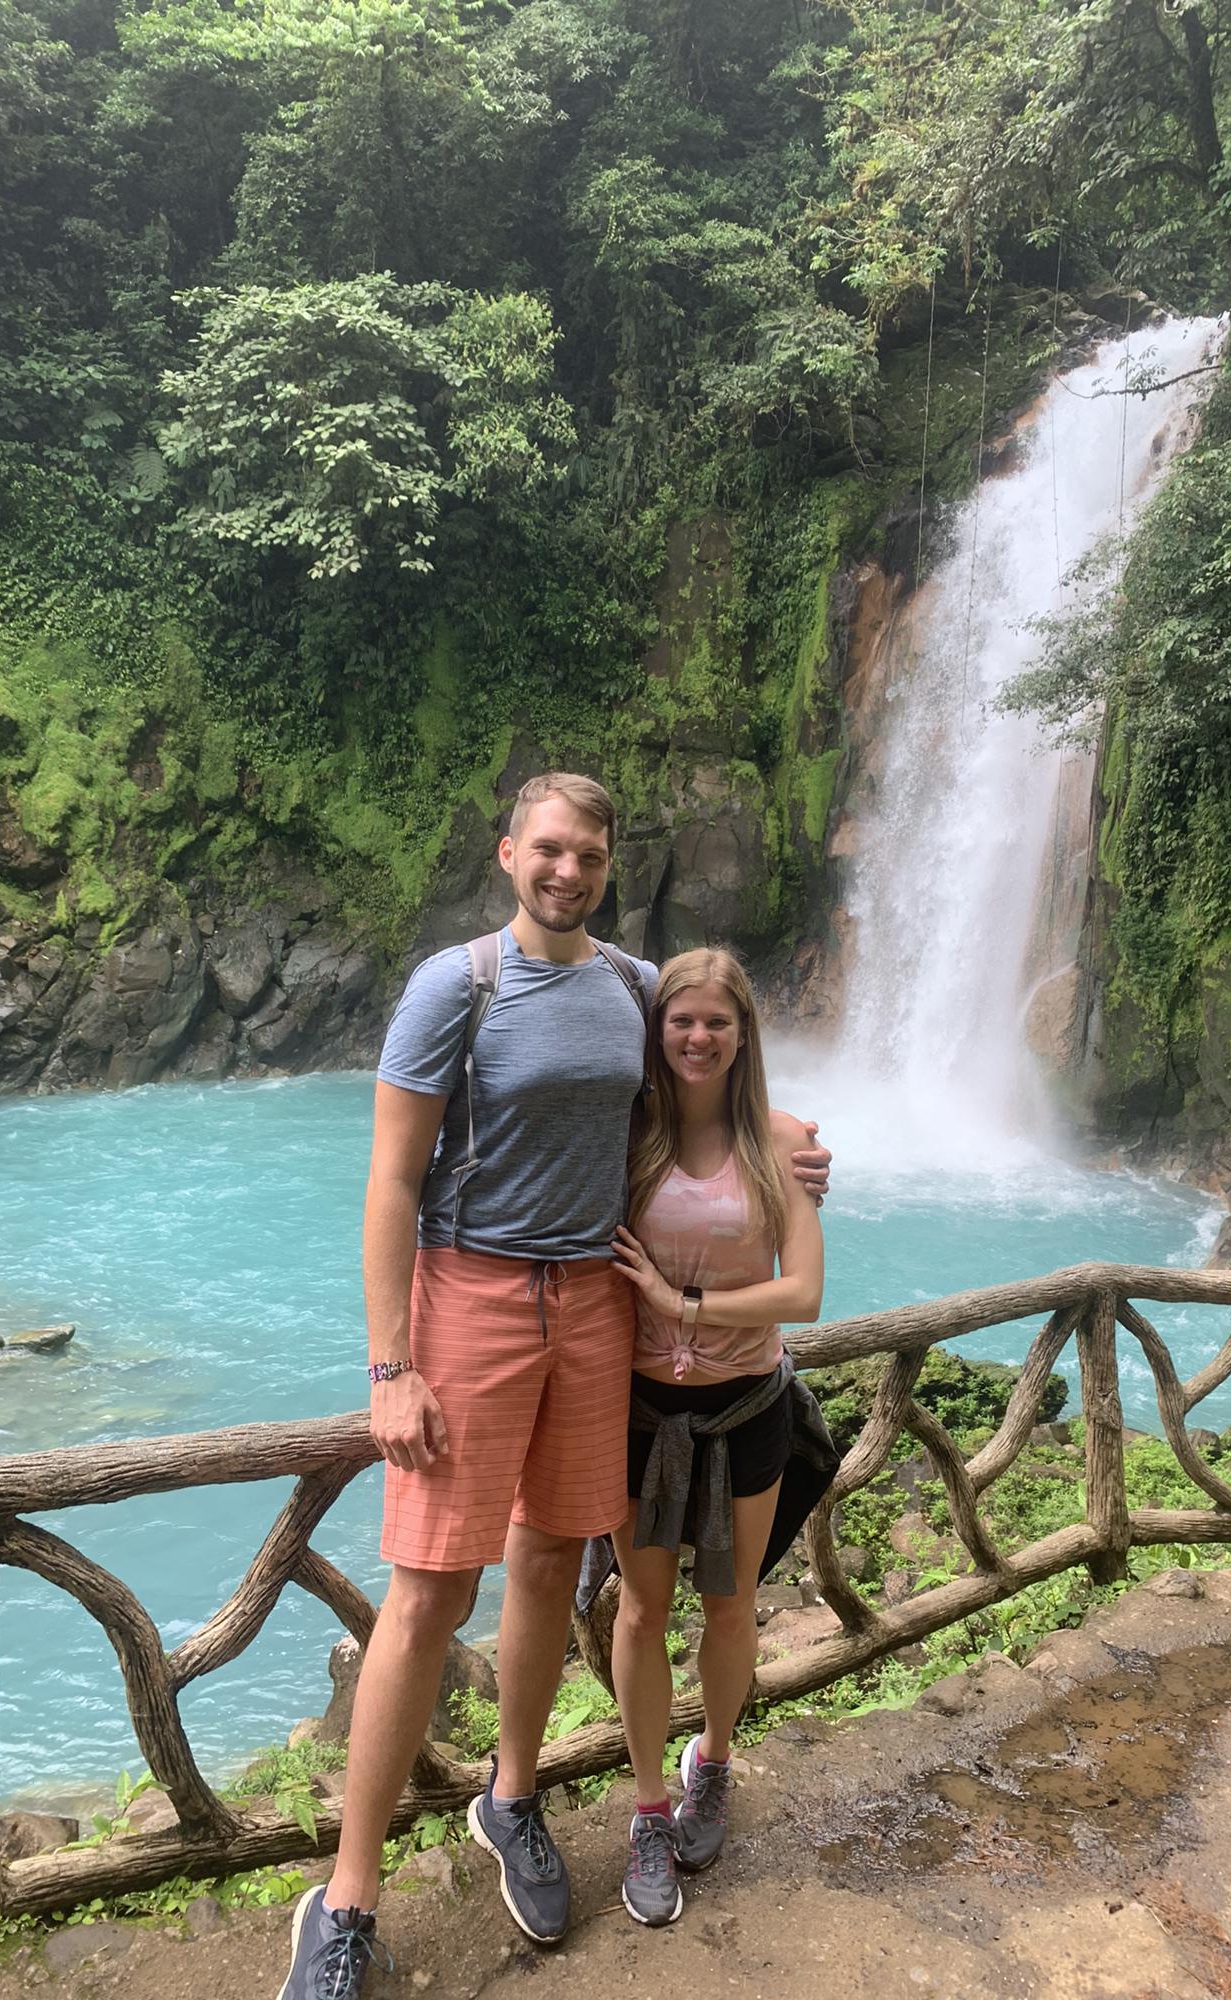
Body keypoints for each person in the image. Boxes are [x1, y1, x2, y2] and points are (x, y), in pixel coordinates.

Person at [278, 774, 830, 2000]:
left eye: (589, 853)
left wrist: (791, 1143)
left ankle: (511, 1793)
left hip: (593, 1300)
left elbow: (704, 1076)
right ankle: (347, 1896)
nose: (568, 870)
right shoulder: (456, 985)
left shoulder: (634, 987)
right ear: (508, 853)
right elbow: (390, 1179)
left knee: (545, 1555)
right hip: (471, 1291)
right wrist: (390, 1365)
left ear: (609, 864)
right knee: (430, 1587)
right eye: (549, 849)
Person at [602, 947, 835, 1928]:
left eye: (717, 1022)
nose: (698, 1037)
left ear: (744, 1035)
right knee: (642, 1611)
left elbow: (805, 1291)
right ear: (657, 1029)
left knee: (731, 1608)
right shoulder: (628, 1133)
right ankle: (649, 1806)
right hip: (640, 1414)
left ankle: (716, 1762)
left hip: (747, 1410)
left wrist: (680, 1302)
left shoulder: (780, 1142)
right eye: (681, 1019)